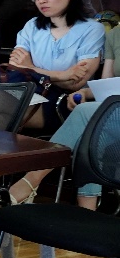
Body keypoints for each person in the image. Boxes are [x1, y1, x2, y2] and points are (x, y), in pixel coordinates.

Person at [8, 25, 117, 207]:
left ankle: (32, 179)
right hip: (113, 109)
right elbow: (108, 85)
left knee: (87, 114)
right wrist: (84, 92)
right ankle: (87, 212)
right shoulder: (115, 34)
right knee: (92, 130)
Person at [5, 0, 105, 133]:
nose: (41, 1)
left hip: (65, 101)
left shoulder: (92, 29)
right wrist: (62, 75)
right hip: (29, 94)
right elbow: (16, 67)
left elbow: (75, 83)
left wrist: (31, 68)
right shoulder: (32, 26)